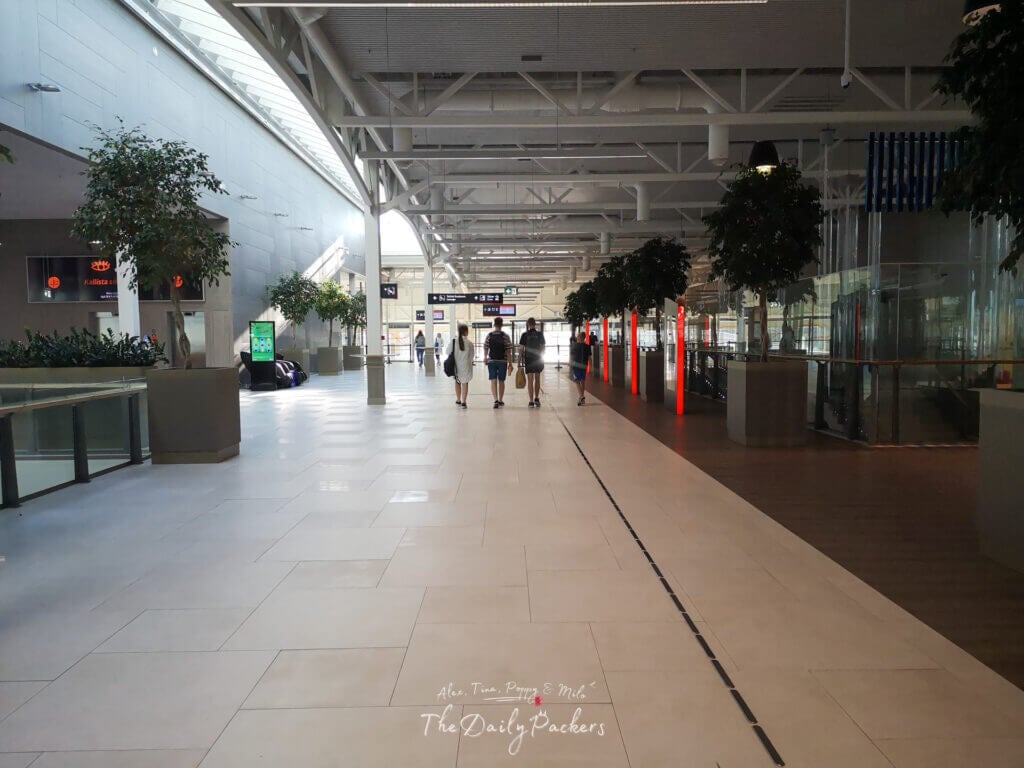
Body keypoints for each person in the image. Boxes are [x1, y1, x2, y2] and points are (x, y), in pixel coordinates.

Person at [483, 316, 514, 409]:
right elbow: (508, 351)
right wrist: (510, 363)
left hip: (492, 361)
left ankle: (495, 400)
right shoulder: (505, 336)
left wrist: (485, 358)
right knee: (501, 381)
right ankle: (500, 400)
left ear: (494, 324)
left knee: (493, 380)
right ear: (502, 325)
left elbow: (485, 347)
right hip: (502, 361)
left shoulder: (489, 335)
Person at [518, 317, 546, 408]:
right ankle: (537, 398)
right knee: (537, 378)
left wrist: (518, 362)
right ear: (535, 324)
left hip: (529, 359)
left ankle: (530, 401)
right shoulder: (540, 334)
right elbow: (542, 348)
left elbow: (521, 349)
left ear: (528, 324)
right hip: (538, 359)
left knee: (530, 380)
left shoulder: (524, 335)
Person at [452, 324, 473, 407]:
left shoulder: (454, 341)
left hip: (456, 366)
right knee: (465, 383)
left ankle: (458, 399)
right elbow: (471, 356)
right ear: (465, 332)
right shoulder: (469, 343)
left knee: (457, 382)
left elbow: (447, 352)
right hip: (466, 366)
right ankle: (464, 402)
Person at [570, 330, 591, 406]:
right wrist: (590, 366)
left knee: (577, 381)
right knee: (582, 381)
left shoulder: (574, 346)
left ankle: (581, 396)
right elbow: (589, 358)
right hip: (584, 366)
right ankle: (582, 398)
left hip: (576, 366)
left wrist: (571, 364)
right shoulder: (587, 346)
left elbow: (572, 357)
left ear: (579, 337)